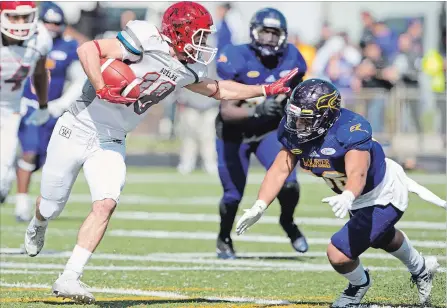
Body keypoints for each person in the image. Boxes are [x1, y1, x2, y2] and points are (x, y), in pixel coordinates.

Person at [23, 1, 299, 304]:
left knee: (106, 203)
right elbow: (88, 49)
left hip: (112, 138)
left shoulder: (188, 67)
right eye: (199, 35)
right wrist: (101, 86)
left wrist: (266, 90)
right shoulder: (145, 38)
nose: (203, 43)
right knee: (51, 204)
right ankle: (39, 222)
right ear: (179, 32)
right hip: (76, 126)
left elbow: (219, 89)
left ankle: (70, 277)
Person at [235, 79, 445, 307]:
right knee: (382, 236)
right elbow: (280, 168)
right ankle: (422, 268)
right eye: (295, 117)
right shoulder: (295, 130)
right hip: (356, 196)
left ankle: (358, 285)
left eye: (305, 119)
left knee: (339, 253)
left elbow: (358, 173)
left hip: (382, 193)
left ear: (326, 116)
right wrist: (260, 205)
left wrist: (348, 195)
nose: (297, 124)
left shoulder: (350, 130)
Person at [214, 8, 308, 259]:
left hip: (268, 131)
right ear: (254, 32)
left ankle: (287, 222)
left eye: (273, 32)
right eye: (264, 31)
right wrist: (258, 109)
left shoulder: (292, 59)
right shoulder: (235, 56)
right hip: (234, 133)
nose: (268, 38)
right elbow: (227, 112)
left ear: (283, 36)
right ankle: (224, 238)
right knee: (233, 195)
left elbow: (297, 96)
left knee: (289, 184)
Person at [16, 2, 84, 222]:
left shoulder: (68, 46)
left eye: (57, 23)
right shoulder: (27, 42)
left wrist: (62, 104)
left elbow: (79, 79)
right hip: (29, 106)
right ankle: (21, 204)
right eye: (48, 22)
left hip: (53, 110)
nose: (52, 27)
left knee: (43, 159)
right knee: (30, 152)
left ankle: (11, 176)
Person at [0, 1, 52, 204]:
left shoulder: (40, 38)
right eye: (14, 17)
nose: (21, 23)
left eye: (25, 17)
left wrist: (43, 104)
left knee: (4, 170)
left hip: (10, 108)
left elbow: (39, 73)